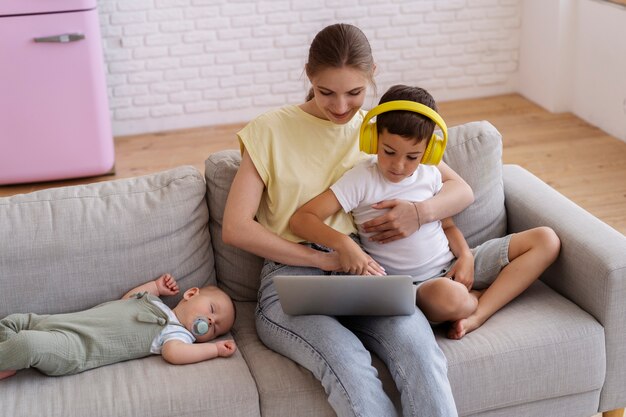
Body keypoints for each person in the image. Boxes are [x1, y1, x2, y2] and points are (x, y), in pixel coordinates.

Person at [223, 23, 474, 417]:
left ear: (372, 74)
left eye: (355, 94)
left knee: (421, 352)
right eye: (327, 93)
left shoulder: (380, 133)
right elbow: (235, 227)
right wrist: (326, 257)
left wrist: (420, 212)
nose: (341, 107)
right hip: (291, 280)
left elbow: (459, 187)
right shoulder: (269, 131)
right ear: (309, 76)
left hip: (366, 276)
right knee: (350, 364)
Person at [290, 84, 561, 340]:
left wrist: (466, 255)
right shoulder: (361, 179)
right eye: (389, 151)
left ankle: (478, 313)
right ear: (374, 138)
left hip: (454, 264)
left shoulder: (431, 174)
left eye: (412, 157)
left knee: (546, 240)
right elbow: (302, 219)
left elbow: (448, 226)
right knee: (449, 297)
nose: (398, 165)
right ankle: (476, 299)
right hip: (417, 287)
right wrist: (344, 245)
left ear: (428, 151)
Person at [0, 273, 237, 380]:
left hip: (77, 349)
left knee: (28, 343)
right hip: (67, 322)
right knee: (14, 322)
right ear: (191, 293)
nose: (210, 322)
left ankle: (10, 356)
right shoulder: (154, 302)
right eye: (212, 311)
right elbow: (128, 300)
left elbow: (173, 354)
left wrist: (214, 349)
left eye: (215, 328)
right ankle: (7, 360)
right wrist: (155, 286)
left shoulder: (176, 334)